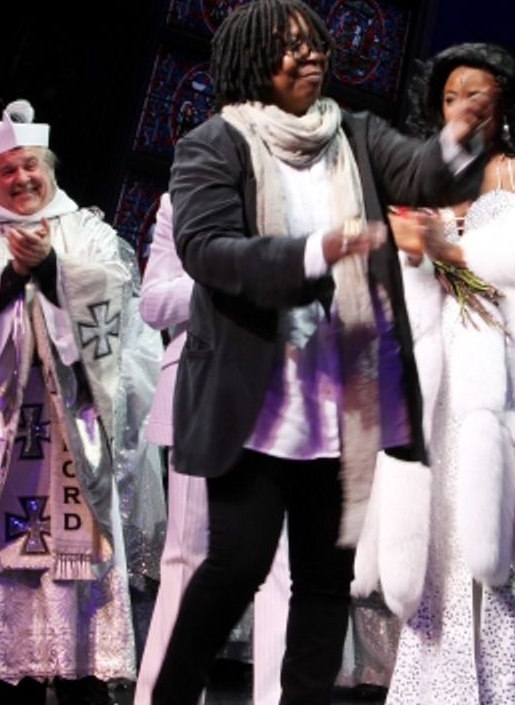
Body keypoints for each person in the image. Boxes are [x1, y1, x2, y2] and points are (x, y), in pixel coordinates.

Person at [151, 0, 486, 705]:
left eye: (315, 44)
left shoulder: (355, 134)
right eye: (290, 47)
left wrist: (457, 136)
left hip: (343, 396)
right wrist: (314, 251)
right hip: (257, 398)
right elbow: (207, 250)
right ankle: (171, 695)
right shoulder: (213, 144)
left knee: (325, 578)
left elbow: (424, 173)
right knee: (236, 566)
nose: (311, 56)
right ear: (254, 62)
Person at [358, 42, 515, 704]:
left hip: (501, 376)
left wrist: (450, 251)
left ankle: (495, 688)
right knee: (434, 539)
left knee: (485, 538)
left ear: (505, 99)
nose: (461, 104)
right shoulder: (432, 178)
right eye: (449, 95)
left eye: (475, 92)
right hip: (438, 379)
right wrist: (409, 254)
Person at [0, 100, 159, 704]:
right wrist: (6, 276)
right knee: (3, 568)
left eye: (29, 164)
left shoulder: (87, 229)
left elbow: (116, 290)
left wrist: (55, 266)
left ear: (50, 166)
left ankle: (82, 672)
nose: (21, 179)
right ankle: (12, 680)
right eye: (5, 171)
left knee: (76, 565)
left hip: (71, 431)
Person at [133, 192, 289, 705]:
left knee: (278, 562)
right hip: (199, 384)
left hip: (279, 387)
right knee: (186, 553)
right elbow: (153, 303)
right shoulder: (182, 200)